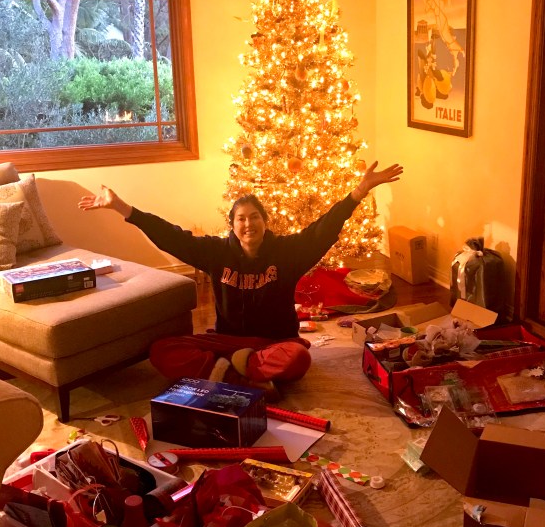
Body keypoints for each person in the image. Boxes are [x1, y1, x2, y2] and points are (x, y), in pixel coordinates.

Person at [78, 161, 403, 397]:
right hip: (227, 342)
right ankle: (246, 377)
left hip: (274, 343)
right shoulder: (215, 252)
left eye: (255, 217)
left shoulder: (287, 252)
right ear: (232, 225)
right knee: (162, 350)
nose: (249, 224)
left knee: (299, 358)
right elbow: (170, 236)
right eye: (241, 219)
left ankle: (227, 374)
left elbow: (323, 229)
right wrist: (121, 207)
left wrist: (360, 191)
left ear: (265, 221)